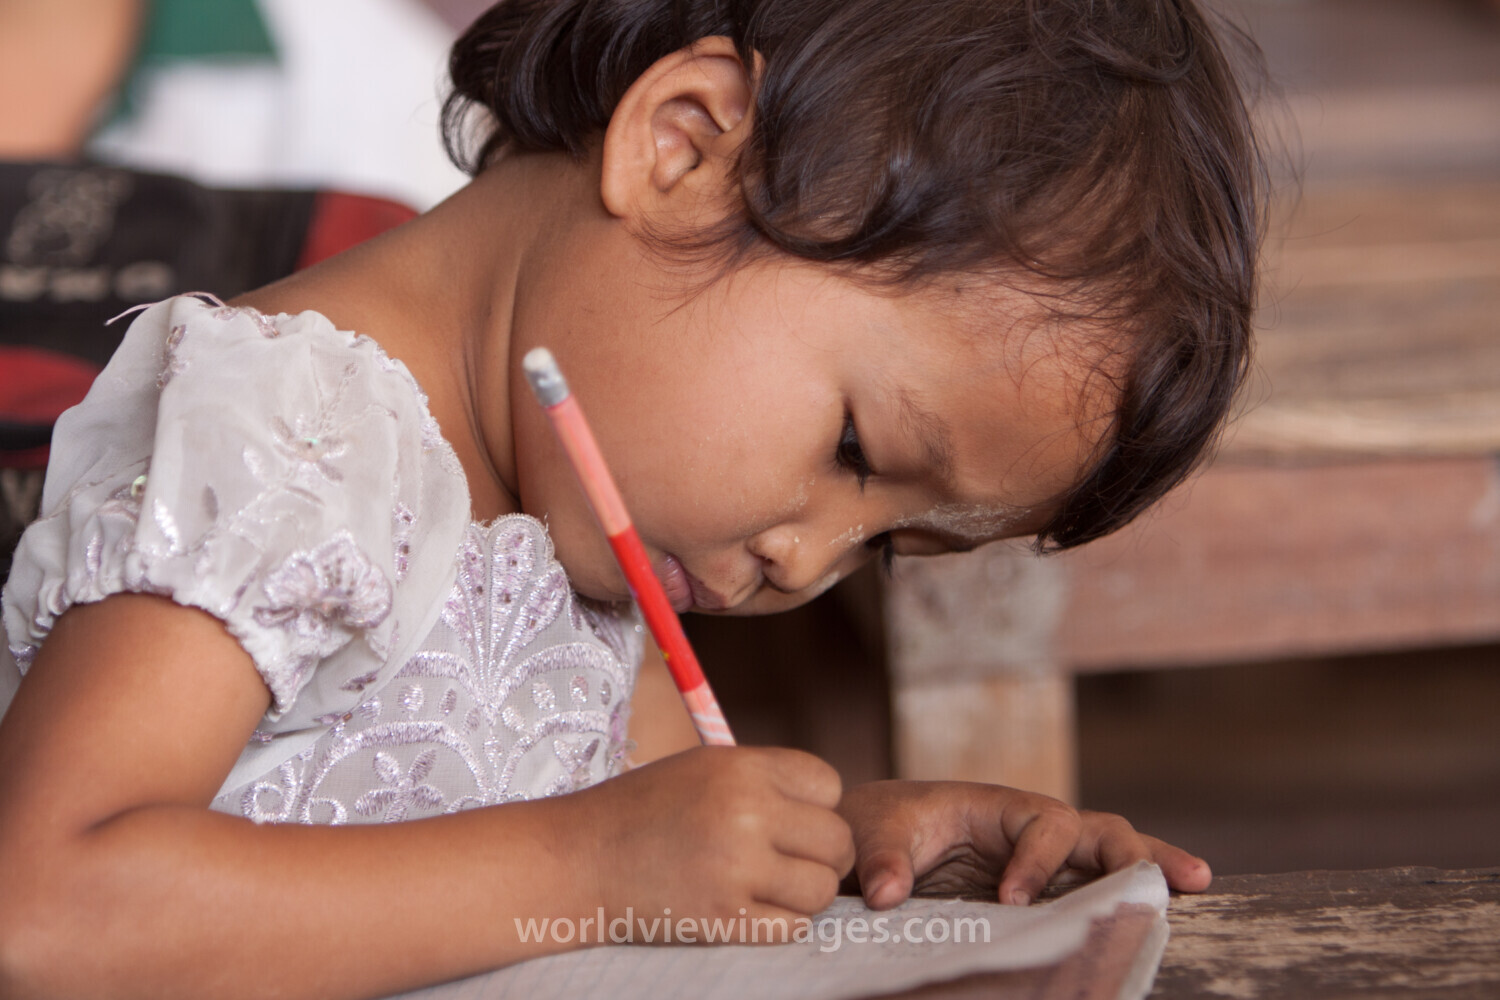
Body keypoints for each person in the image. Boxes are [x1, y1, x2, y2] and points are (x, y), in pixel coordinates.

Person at [0, 0, 1264, 995]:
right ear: (683, 149)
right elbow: (43, 912)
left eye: (889, 547)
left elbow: (624, 841)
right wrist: (594, 862)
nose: (804, 555)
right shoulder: (293, 434)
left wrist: (845, 844)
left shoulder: (587, 534)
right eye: (853, 451)